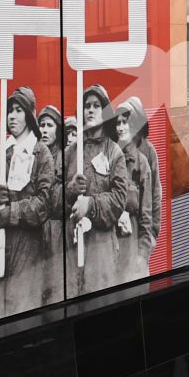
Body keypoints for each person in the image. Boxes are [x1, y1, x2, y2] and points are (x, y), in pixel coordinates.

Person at [0, 87, 57, 319]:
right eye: (9, 110)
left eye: (18, 110)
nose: (12, 116)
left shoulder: (41, 154)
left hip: (27, 242)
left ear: (29, 115)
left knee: (21, 310)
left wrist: (13, 212)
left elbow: (44, 203)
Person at [70, 82, 129, 296]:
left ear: (105, 111)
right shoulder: (71, 153)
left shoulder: (114, 153)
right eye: (87, 106)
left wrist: (91, 204)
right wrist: (70, 189)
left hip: (101, 246)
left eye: (96, 105)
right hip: (71, 245)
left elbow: (120, 198)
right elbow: (51, 197)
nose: (91, 109)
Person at [113, 96, 160, 282]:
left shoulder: (147, 155)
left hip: (136, 237)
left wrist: (149, 241)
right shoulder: (113, 154)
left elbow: (153, 200)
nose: (121, 127)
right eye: (119, 122)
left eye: (126, 122)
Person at [36, 106, 68, 305]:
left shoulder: (65, 157)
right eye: (41, 125)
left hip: (57, 231)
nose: (44, 130)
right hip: (35, 231)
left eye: (49, 125)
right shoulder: (33, 156)